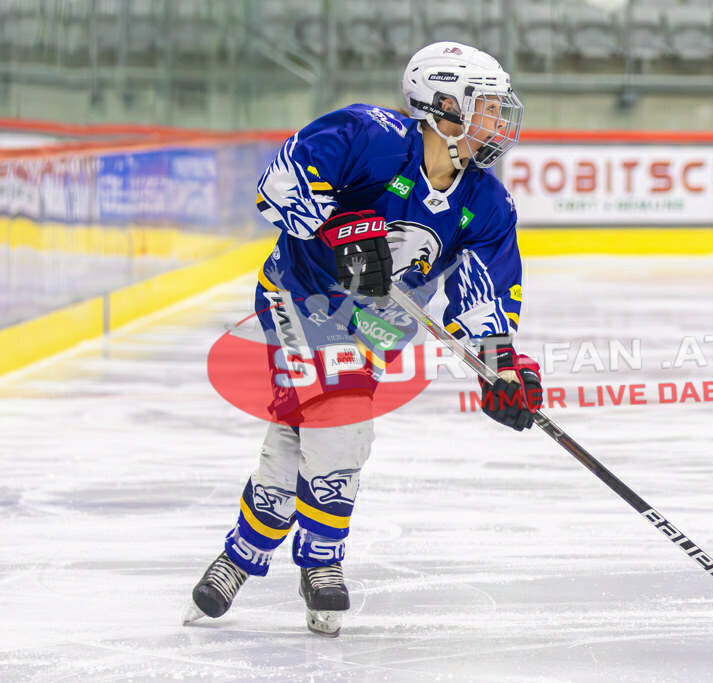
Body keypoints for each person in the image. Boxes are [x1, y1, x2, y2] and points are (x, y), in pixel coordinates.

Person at [183, 41, 543, 638]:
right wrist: (342, 233)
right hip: (298, 297)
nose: (497, 123)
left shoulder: (488, 203)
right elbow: (279, 186)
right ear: (442, 105)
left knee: (300, 430)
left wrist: (503, 370)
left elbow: (485, 300)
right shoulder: (366, 135)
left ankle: (241, 555)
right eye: (484, 108)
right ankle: (322, 557)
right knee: (339, 416)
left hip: (380, 320)